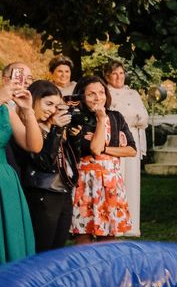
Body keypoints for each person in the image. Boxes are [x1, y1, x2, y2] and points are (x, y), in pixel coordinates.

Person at [12, 80, 78, 252]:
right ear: (33, 100)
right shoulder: (24, 127)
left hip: (62, 192)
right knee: (42, 251)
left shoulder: (53, 127)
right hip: (41, 195)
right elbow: (44, 162)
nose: (52, 110)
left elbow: (69, 161)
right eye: (48, 104)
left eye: (57, 105)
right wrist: (56, 130)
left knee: (58, 251)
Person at [69, 76, 135, 243]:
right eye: (91, 94)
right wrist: (100, 120)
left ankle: (108, 269)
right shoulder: (77, 120)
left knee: (108, 238)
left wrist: (106, 149)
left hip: (111, 183)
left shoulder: (116, 117)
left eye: (101, 92)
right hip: (85, 183)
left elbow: (131, 150)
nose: (98, 98)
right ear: (81, 97)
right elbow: (94, 148)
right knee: (83, 236)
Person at [0, 64, 42, 263]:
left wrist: (28, 111)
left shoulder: (6, 110)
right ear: (4, 79)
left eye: (28, 78)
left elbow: (32, 145)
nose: (22, 82)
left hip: (5, 182)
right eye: (17, 76)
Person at [103, 60, 148, 237]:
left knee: (132, 181)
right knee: (116, 181)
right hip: (116, 141)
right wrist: (129, 118)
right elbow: (115, 117)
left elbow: (143, 117)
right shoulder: (106, 93)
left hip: (133, 139)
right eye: (115, 73)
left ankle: (132, 225)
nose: (119, 77)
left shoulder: (133, 93)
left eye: (121, 73)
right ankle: (115, 223)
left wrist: (133, 119)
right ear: (107, 76)